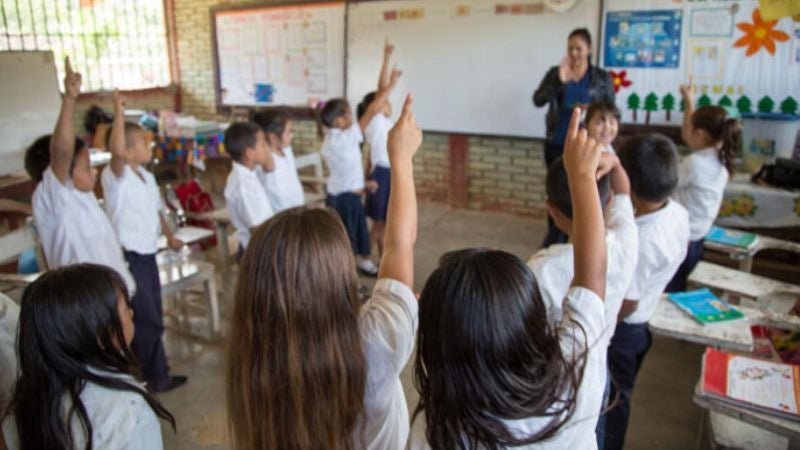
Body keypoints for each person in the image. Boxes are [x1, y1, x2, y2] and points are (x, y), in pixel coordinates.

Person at [225, 94, 422, 449]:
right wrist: (402, 158)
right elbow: (399, 247)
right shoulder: (374, 340)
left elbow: (396, 247)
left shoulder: (253, 358)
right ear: (339, 272)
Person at [409, 108, 609, 449]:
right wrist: (583, 178)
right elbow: (593, 275)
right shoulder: (572, 378)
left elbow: (591, 277)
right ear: (534, 318)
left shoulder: (438, 430)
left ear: (438, 344)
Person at [2, 264, 175, 450]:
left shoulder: (26, 399)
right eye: (125, 308)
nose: (131, 313)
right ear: (102, 334)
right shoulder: (128, 410)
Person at [603, 134, 691, 450]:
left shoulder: (641, 240)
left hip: (623, 332)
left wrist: (595, 319)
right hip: (643, 323)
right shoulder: (677, 213)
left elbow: (626, 302)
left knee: (612, 402)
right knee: (618, 392)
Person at [25, 56, 135, 294]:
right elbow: (62, 153)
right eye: (87, 168)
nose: (94, 171)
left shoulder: (82, 196)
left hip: (110, 294)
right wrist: (70, 99)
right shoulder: (55, 198)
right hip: (84, 301)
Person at [101, 91, 187, 392]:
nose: (149, 146)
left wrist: (170, 235)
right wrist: (119, 113)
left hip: (148, 254)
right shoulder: (117, 178)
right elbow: (116, 154)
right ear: (127, 149)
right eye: (143, 143)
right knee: (146, 319)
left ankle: (154, 369)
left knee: (152, 314)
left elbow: (157, 210)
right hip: (130, 257)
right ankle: (153, 378)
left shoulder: (146, 178)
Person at [533, 28, 616, 248]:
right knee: (557, 191)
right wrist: (560, 81)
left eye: (579, 48)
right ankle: (555, 238)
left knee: (584, 190)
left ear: (589, 49)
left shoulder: (600, 77)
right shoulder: (556, 72)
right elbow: (538, 100)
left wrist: (594, 111)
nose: (574, 53)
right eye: (570, 48)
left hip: (588, 145)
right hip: (557, 143)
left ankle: (580, 239)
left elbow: (610, 109)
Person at [318, 64, 401, 277]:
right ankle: (348, 276)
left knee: (348, 236)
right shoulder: (348, 137)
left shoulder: (329, 140)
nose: (352, 119)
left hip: (338, 195)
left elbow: (345, 170)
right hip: (348, 200)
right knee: (351, 239)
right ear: (339, 121)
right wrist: (391, 84)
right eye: (347, 115)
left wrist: (363, 183)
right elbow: (373, 108)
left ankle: (354, 268)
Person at [666, 79, 739, 292]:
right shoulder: (722, 163)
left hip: (681, 238)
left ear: (700, 134)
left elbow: (666, 184)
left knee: (670, 288)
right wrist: (689, 100)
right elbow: (689, 134)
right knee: (683, 284)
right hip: (698, 237)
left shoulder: (695, 163)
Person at [357, 40, 398, 258]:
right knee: (380, 223)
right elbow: (382, 89)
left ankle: (383, 260)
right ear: (376, 107)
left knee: (384, 222)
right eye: (384, 102)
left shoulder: (381, 121)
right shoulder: (375, 120)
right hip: (382, 173)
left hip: (386, 172)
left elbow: (382, 93)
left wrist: (387, 57)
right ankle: (364, 259)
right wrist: (386, 59)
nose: (388, 103)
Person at [223, 121, 275, 254]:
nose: (267, 147)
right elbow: (257, 229)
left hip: (265, 243)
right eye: (263, 144)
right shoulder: (243, 186)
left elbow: (270, 166)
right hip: (258, 250)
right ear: (250, 154)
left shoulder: (249, 171)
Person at [252, 109, 306, 212]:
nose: (292, 135)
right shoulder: (266, 160)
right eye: (289, 132)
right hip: (282, 216)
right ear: (273, 138)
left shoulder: (286, 150)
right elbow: (278, 199)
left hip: (298, 208)